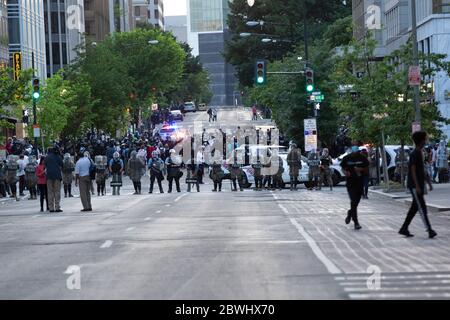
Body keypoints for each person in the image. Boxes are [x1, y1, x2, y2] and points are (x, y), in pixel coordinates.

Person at [399, 131, 437, 239]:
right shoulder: (415, 153)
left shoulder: (420, 152)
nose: (426, 141)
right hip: (415, 186)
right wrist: (417, 186)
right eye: (425, 139)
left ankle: (404, 228)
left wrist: (428, 182)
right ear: (421, 140)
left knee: (414, 208)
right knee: (422, 208)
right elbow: (413, 170)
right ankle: (429, 230)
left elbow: (422, 170)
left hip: (418, 185)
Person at [341, 142, 369, 230]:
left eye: (355, 146)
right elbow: (342, 167)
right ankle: (356, 222)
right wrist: (345, 172)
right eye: (353, 146)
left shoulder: (362, 158)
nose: (354, 148)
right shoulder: (347, 158)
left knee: (356, 202)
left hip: (360, 182)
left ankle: (350, 213)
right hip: (350, 183)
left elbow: (367, 169)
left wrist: (360, 169)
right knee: (353, 201)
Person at [44, 147, 63, 213]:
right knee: (57, 191)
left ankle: (51, 208)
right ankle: (57, 207)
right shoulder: (58, 156)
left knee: (50, 192)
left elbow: (45, 165)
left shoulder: (46, 158)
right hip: (57, 176)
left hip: (49, 176)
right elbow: (62, 164)